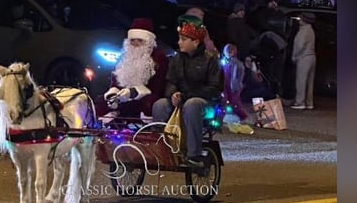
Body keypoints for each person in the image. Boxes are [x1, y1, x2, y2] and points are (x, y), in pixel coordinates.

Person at [152, 14, 224, 167]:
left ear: (196, 42)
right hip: (181, 99)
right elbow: (170, 81)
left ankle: (194, 154)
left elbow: (214, 88)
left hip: (205, 103)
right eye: (180, 38)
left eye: (184, 39)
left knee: (192, 104)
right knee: (159, 105)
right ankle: (161, 150)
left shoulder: (211, 59)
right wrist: (173, 94)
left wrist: (185, 95)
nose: (179, 42)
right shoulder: (177, 59)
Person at [97, 17, 169, 122]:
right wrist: (113, 94)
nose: (135, 44)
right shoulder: (124, 57)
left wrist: (133, 92)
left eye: (139, 40)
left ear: (148, 42)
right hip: (123, 97)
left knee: (150, 103)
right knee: (102, 101)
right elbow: (115, 83)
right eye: (132, 40)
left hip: (146, 98)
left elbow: (158, 88)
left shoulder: (159, 58)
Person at [221, 43, 254, 134]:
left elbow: (238, 77)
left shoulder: (237, 64)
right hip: (225, 85)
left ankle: (244, 117)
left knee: (235, 103)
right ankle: (221, 118)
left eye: (230, 51)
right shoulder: (225, 62)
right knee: (223, 101)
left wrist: (237, 86)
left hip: (233, 87)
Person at [290, 12, 317, 110]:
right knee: (310, 82)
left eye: (300, 18)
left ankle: (300, 102)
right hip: (312, 56)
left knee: (301, 81)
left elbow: (299, 45)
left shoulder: (303, 31)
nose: (299, 20)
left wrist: (295, 56)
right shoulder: (311, 30)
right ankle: (309, 102)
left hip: (304, 57)